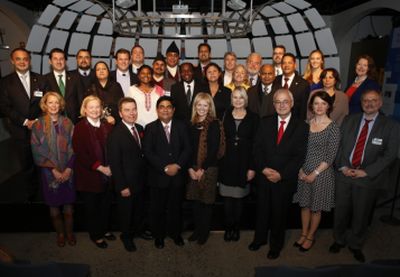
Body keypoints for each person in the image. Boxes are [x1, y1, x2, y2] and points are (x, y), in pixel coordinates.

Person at [329, 89, 399, 262]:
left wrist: (366, 172)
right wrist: (343, 166)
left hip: (368, 178)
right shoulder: (349, 120)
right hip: (344, 174)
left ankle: (356, 244)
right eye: (365, 101)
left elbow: (390, 155)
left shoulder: (391, 126)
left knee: (361, 214)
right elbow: (339, 145)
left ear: (380, 103)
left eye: (373, 100)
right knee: (340, 212)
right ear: (361, 103)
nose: (369, 103)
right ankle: (339, 240)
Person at [248, 89, 308, 260]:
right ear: (273, 104)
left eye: (285, 101)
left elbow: (300, 156)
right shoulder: (264, 122)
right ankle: (259, 239)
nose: (281, 105)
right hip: (264, 176)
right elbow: (257, 148)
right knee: (262, 211)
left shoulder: (302, 126)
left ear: (292, 103)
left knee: (279, 214)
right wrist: (263, 169)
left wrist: (281, 174)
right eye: (278, 102)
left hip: (284, 179)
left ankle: (276, 245)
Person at [293, 90, 340, 252]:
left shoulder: (333, 128)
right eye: (316, 103)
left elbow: (330, 156)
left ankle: (311, 236)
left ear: (329, 106)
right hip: (303, 172)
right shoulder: (305, 124)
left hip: (322, 174)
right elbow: (298, 149)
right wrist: (300, 169)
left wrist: (315, 173)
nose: (319, 106)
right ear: (311, 106)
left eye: (323, 103)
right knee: (304, 205)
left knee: (316, 208)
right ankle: (303, 233)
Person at [143, 96, 191, 249]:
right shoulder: (150, 128)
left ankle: (175, 234)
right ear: (157, 110)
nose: (165, 109)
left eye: (168, 106)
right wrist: (165, 167)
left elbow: (187, 148)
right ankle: (159, 236)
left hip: (177, 176)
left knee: (176, 207)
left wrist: (177, 165)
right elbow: (148, 152)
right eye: (162, 106)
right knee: (158, 209)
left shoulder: (182, 126)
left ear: (173, 110)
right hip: (158, 177)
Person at [31, 92, 76, 247]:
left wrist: (69, 168)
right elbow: (37, 150)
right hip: (48, 172)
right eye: (50, 102)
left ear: (60, 104)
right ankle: (60, 234)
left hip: (68, 169)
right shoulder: (38, 125)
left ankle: (70, 233)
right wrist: (54, 170)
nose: (54, 105)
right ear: (45, 104)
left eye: (57, 102)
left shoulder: (68, 123)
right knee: (54, 206)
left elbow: (73, 147)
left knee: (68, 205)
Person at [0, 47, 45, 200]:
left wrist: (38, 120)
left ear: (29, 61)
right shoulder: (5, 82)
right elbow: (5, 107)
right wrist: (25, 122)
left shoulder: (40, 79)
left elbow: (46, 102)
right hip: (20, 129)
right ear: (12, 61)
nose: (22, 62)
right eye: (18, 59)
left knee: (44, 161)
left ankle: (46, 191)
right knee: (27, 164)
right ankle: (32, 194)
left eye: (25, 59)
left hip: (40, 128)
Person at [72, 95, 114, 249]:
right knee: (93, 208)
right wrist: (101, 168)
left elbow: (113, 149)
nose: (95, 110)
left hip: (108, 174)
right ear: (85, 109)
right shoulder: (79, 127)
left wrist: (111, 167)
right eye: (91, 107)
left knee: (105, 205)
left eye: (97, 107)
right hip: (89, 175)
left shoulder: (107, 126)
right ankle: (96, 235)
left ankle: (105, 229)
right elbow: (80, 153)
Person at [107, 97, 147, 252]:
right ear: (120, 113)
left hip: (140, 180)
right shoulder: (115, 134)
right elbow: (115, 163)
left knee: (138, 209)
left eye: (133, 109)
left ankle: (137, 231)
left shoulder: (139, 128)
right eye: (127, 110)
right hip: (126, 183)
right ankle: (126, 237)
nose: (131, 113)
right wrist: (122, 186)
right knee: (126, 213)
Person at [219, 87, 258, 242]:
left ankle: (236, 228)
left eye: (241, 97)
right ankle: (229, 227)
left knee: (239, 198)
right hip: (226, 162)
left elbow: (257, 145)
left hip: (244, 162)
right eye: (235, 97)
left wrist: (252, 167)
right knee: (228, 198)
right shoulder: (224, 115)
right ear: (231, 99)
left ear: (245, 100)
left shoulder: (254, 118)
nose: (238, 100)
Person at [187, 92, 225, 245]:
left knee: (206, 202)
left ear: (210, 107)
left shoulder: (214, 123)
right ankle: (196, 230)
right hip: (192, 168)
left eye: (205, 105)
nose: (202, 108)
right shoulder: (191, 124)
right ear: (195, 106)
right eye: (199, 105)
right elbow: (187, 148)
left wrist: (202, 170)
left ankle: (204, 232)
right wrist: (191, 168)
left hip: (209, 168)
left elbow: (214, 149)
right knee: (195, 201)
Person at [44, 48, 81, 124]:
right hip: (53, 122)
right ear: (50, 61)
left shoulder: (76, 77)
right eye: (55, 59)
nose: (58, 61)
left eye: (61, 59)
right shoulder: (44, 79)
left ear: (65, 61)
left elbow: (81, 98)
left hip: (74, 121)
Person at [274, 53, 310, 120]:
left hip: (295, 122)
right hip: (276, 121)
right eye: (284, 63)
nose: (286, 65)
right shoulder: (274, 80)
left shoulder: (303, 84)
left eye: (289, 63)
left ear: (295, 65)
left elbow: (303, 109)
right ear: (281, 65)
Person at [89, 61, 124, 125]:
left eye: (104, 69)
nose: (101, 71)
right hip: (96, 121)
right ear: (95, 73)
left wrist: (114, 118)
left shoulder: (116, 86)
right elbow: (88, 107)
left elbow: (122, 105)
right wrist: (105, 116)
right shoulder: (90, 87)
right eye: (98, 69)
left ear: (108, 71)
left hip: (115, 122)